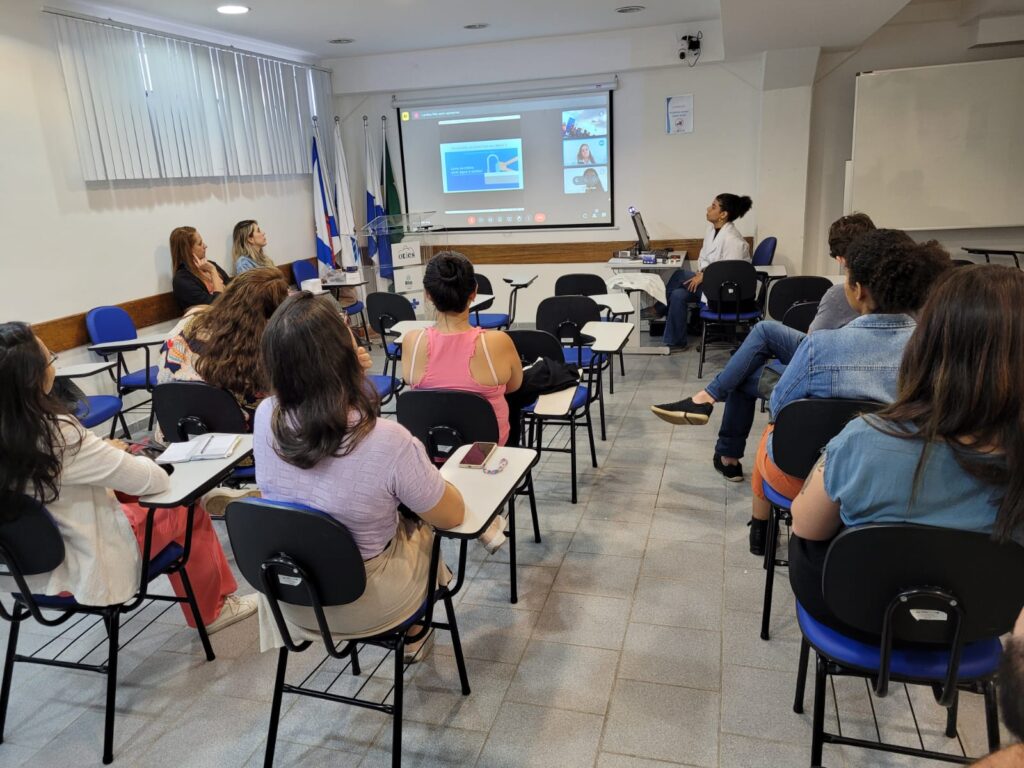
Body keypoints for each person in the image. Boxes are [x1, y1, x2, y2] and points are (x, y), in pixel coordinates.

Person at [789, 265, 1024, 643]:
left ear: (929, 343)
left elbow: (805, 525)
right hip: (976, 628)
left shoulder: (867, 438)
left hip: (854, 616)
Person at [0, 322, 256, 632]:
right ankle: (213, 611)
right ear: (32, 377)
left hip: (20, 573)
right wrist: (115, 455)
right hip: (81, 566)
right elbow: (152, 480)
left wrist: (100, 458)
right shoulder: (57, 434)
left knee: (127, 495)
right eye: (50, 358)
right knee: (186, 505)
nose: (55, 365)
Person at [253, 293, 465, 660]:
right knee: (423, 528)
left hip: (291, 597)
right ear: (345, 355)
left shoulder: (265, 415)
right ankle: (415, 633)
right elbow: (451, 515)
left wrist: (350, 381)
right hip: (366, 602)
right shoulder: (388, 440)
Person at [744, 231, 951, 554]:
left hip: (811, 479)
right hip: (910, 486)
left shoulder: (820, 347)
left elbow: (780, 409)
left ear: (859, 289)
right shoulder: (937, 349)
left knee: (770, 433)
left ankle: (760, 532)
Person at [649, 213, 878, 481]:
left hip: (827, 377)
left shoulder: (843, 294)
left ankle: (723, 444)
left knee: (742, 374)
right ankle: (708, 402)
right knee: (763, 331)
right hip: (858, 374)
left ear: (840, 258)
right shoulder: (895, 294)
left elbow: (812, 349)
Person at [402, 252, 523, 552]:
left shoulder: (412, 341)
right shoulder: (496, 342)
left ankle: (458, 502)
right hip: (485, 451)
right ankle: (480, 507)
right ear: (474, 292)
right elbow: (515, 385)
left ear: (428, 295)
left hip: (432, 451)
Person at [660, 194, 753, 349]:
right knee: (677, 295)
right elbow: (703, 256)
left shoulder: (733, 241)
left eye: (713, 206)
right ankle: (677, 342)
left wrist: (705, 275)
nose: (708, 209)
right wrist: (701, 272)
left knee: (680, 275)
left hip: (724, 293)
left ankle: (659, 308)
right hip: (709, 284)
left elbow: (731, 275)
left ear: (723, 214)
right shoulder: (711, 230)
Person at [170, 226, 230, 312]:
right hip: (213, 318)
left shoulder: (210, 264)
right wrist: (213, 272)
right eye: (200, 244)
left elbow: (234, 289)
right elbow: (216, 305)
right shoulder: (182, 279)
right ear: (188, 250)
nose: (205, 246)